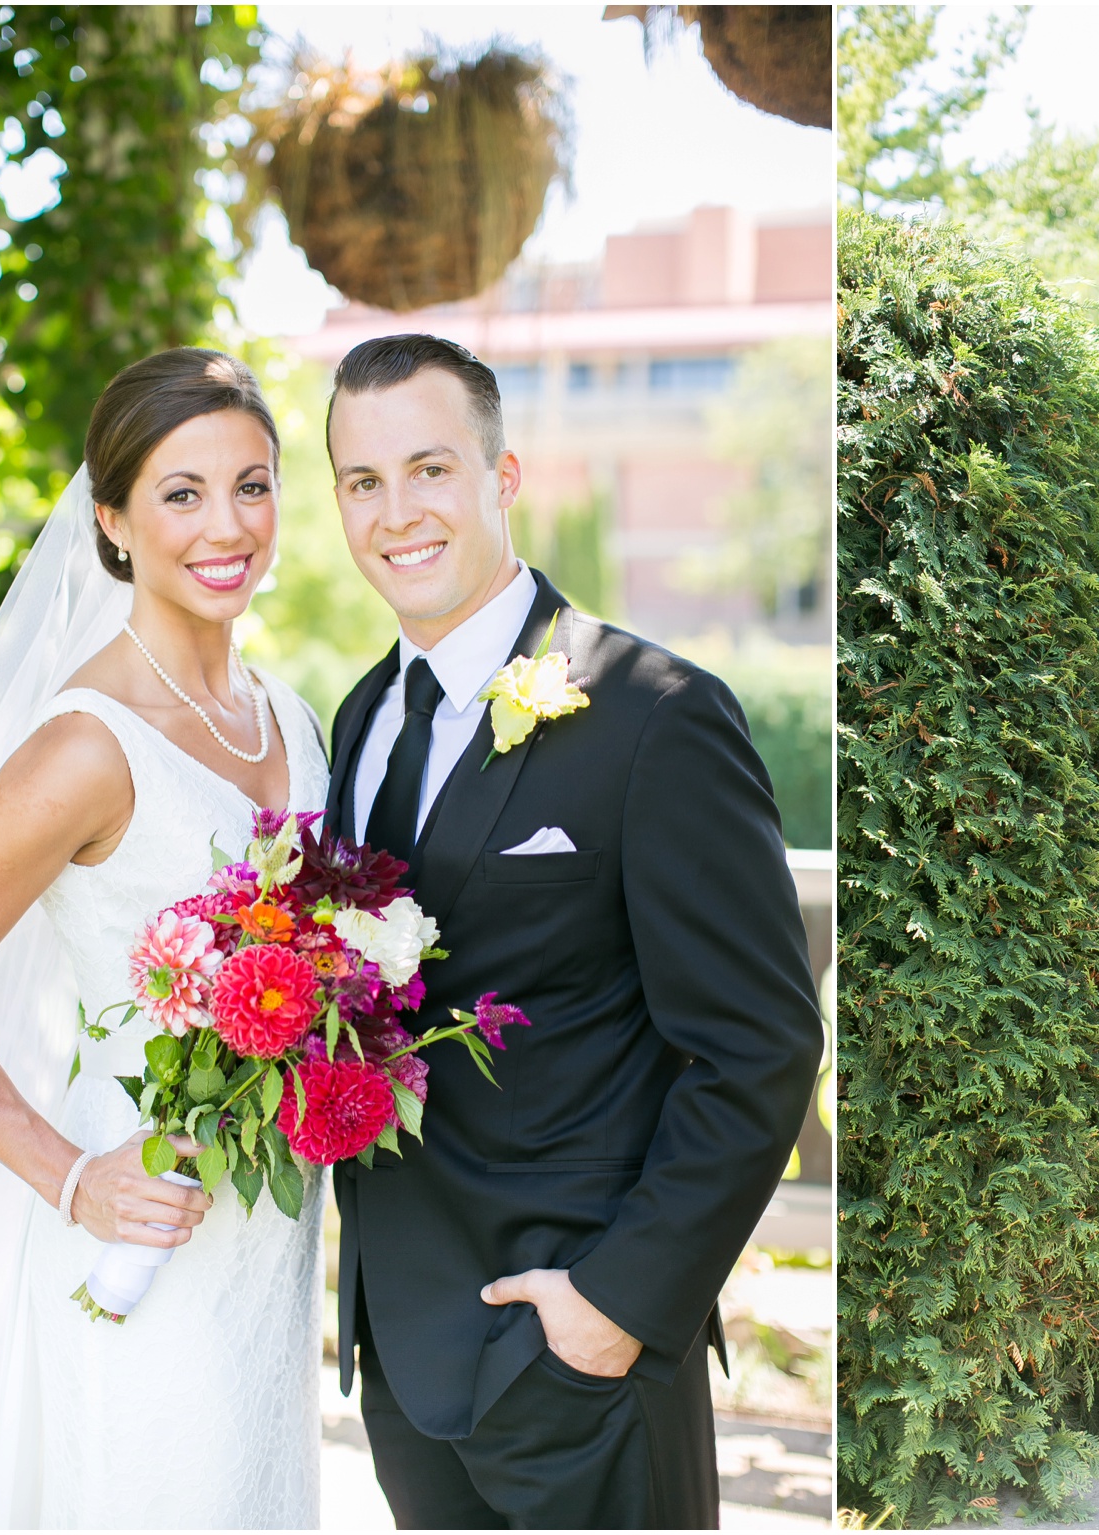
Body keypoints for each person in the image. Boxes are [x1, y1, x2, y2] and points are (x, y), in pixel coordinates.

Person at [320, 334, 823, 1529]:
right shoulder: (360, 715)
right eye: (362, 481)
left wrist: (616, 1303)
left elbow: (758, 1046)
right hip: (402, 1354)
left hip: (578, 1358)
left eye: (429, 468)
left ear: (502, 477)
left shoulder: (656, 711)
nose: (398, 512)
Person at [0, 349, 327, 1526]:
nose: (227, 524)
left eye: (252, 485)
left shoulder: (289, 716)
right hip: (140, 1225)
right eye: (181, 492)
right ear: (111, 519)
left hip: (267, 1238)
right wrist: (71, 1178)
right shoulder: (86, 745)